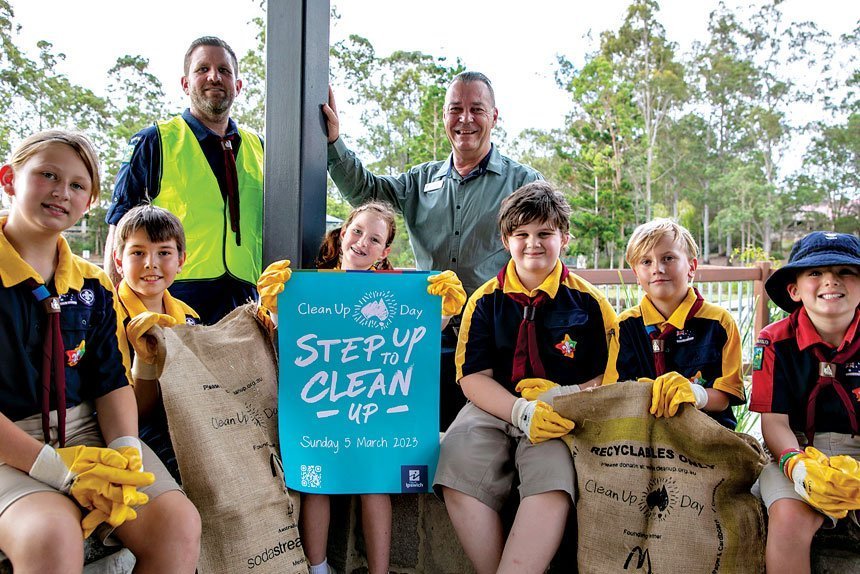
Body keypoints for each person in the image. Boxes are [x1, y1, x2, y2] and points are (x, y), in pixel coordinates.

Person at [0, 130, 200, 572]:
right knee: (51, 534)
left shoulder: (92, 284)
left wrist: (126, 451)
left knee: (176, 524)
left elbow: (109, 381)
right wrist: (59, 471)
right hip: (9, 444)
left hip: (85, 429)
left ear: (90, 201)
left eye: (77, 184)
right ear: (9, 179)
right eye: (47, 175)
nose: (61, 191)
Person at [257, 201, 467, 574]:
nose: (362, 242)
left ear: (385, 251)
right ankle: (318, 568)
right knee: (316, 484)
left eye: (374, 239)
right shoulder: (311, 287)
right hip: (323, 410)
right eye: (357, 231)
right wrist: (274, 305)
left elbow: (419, 334)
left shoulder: (397, 291)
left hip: (375, 412)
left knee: (376, 482)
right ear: (343, 233)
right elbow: (290, 335)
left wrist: (446, 309)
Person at [324, 71, 542, 427]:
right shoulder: (419, 181)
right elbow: (365, 191)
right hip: (426, 336)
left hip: (492, 341)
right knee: (424, 432)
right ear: (444, 116)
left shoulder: (524, 183)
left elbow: (545, 254)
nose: (465, 119)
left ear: (494, 116)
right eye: (455, 109)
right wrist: (334, 141)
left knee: (481, 436)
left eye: (477, 109)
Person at [433, 182, 616, 574]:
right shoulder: (484, 300)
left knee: (553, 477)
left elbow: (609, 376)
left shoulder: (591, 303)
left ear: (564, 238)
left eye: (545, 233)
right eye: (522, 234)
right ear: (506, 241)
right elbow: (472, 377)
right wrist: (520, 411)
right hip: (494, 405)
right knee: (455, 460)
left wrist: (565, 395)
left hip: (560, 413)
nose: (533, 244)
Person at [103, 36, 264, 325]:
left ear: (238, 86)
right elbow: (119, 230)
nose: (214, 76)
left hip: (245, 306)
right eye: (203, 69)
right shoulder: (154, 141)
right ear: (186, 84)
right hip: (172, 302)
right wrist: (115, 316)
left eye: (224, 70)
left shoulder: (262, 149)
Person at [750, 231, 860, 573]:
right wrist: (796, 466)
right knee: (788, 519)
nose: (830, 280)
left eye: (845, 271)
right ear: (794, 290)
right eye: (815, 272)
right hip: (796, 452)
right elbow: (774, 422)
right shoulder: (773, 340)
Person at [603, 218, 745, 428]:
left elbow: (725, 395)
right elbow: (614, 392)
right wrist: (642, 394)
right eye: (646, 262)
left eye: (668, 258)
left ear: (691, 267)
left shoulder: (720, 322)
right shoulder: (625, 325)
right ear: (636, 274)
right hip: (643, 434)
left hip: (707, 434)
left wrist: (696, 394)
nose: (657, 268)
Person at [112, 204, 200, 480]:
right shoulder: (108, 318)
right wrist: (146, 363)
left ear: (181, 260)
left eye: (164, 252)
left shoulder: (189, 316)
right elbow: (134, 415)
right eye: (138, 253)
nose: (151, 263)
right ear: (118, 260)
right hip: (130, 430)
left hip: (184, 422)